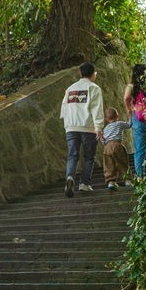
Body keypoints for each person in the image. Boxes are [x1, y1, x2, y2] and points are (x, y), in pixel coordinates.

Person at [60, 60, 105, 197]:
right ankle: (85, 184)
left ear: (81, 73)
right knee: (89, 156)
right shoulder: (94, 88)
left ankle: (70, 177)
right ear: (93, 74)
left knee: (72, 155)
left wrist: (68, 124)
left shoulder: (70, 89)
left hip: (71, 126)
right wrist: (99, 127)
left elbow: (64, 109)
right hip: (87, 127)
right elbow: (96, 108)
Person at [124, 62, 146, 178]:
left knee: (139, 149)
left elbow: (126, 98)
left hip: (138, 117)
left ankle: (140, 176)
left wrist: (129, 109)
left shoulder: (131, 86)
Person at [101, 107, 131, 189]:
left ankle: (111, 182)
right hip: (117, 144)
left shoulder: (105, 129)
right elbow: (129, 125)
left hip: (107, 147)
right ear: (117, 116)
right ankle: (127, 180)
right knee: (122, 162)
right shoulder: (119, 123)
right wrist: (130, 115)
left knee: (109, 165)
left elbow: (102, 140)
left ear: (106, 119)